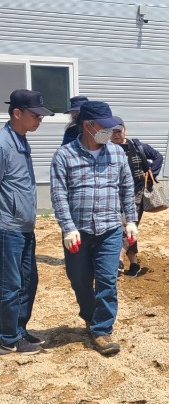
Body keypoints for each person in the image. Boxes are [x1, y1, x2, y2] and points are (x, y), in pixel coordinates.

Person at [50, 101, 138, 356]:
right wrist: (68, 228)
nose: (110, 132)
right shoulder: (65, 155)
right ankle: (90, 316)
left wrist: (131, 221)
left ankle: (102, 329)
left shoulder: (117, 153)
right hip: (78, 232)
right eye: (104, 127)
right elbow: (58, 195)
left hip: (110, 229)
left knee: (107, 281)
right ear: (87, 126)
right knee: (79, 280)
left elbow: (127, 188)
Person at [0, 90, 53, 355]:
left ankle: (18, 331)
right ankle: (7, 338)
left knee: (27, 282)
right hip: (7, 227)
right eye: (36, 116)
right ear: (17, 113)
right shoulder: (3, 143)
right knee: (10, 285)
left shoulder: (20, 139)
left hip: (24, 226)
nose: (39, 121)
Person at [110, 120, 164, 277]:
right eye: (113, 131)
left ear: (124, 130)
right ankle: (134, 264)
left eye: (119, 131)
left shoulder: (138, 147)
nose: (116, 134)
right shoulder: (106, 149)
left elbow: (158, 157)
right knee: (124, 228)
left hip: (137, 195)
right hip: (114, 197)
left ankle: (119, 260)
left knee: (127, 226)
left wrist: (151, 172)